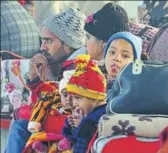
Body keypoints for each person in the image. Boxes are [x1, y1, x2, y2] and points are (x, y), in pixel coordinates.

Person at [5, 7, 86, 153]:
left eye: (48, 41)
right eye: (42, 41)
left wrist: (23, 110)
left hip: (69, 128)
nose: (42, 47)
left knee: (20, 124)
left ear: (68, 44)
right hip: (58, 123)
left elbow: (57, 107)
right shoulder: (57, 64)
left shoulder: (77, 69)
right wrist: (35, 79)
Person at [62, 54, 107, 153]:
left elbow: (80, 146)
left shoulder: (91, 120)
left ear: (94, 98)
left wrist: (81, 124)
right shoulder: (95, 114)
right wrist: (73, 126)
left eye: (78, 98)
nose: (74, 103)